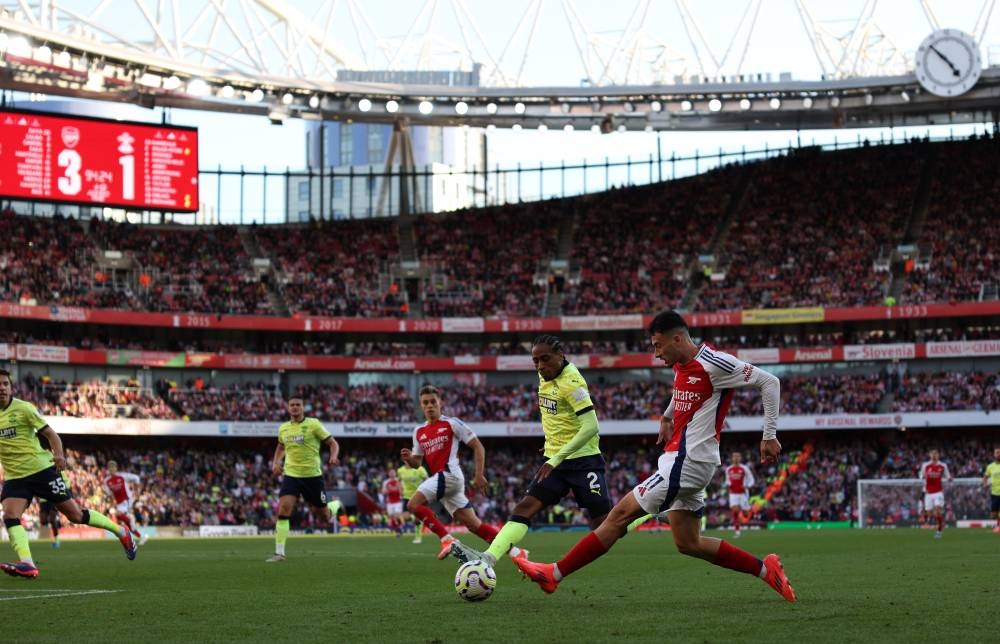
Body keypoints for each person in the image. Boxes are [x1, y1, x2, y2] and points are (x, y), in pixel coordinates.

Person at [514, 311, 796, 602]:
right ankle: (767, 570)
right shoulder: (681, 363)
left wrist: (769, 434)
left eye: (658, 345)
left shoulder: (715, 362)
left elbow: (770, 382)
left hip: (688, 462)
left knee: (618, 516)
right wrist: (667, 415)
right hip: (685, 461)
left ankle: (553, 574)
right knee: (689, 542)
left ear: (677, 338)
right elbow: (683, 389)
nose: (655, 352)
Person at [454, 335, 613, 567]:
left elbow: (591, 426)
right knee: (525, 507)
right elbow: (555, 416)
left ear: (561, 355)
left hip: (583, 460)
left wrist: (556, 456)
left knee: (605, 525)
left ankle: (645, 514)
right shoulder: (544, 375)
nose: (540, 366)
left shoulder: (573, 383)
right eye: (535, 361)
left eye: (545, 359)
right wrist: (552, 444)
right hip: (555, 460)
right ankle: (487, 559)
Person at [0, 368, 136, 578]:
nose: (2, 388)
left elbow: (51, 435)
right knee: (10, 514)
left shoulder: (24, 409)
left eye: (5, 384)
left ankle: (121, 531)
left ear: (10, 387)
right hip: (15, 476)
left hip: (41, 470)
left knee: (76, 515)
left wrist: (60, 455)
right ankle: (27, 562)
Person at [401, 385, 505, 560]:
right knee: (474, 526)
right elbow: (417, 463)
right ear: (421, 406)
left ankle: (446, 539)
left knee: (413, 505)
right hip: (444, 482)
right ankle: (518, 553)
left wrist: (479, 474)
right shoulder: (418, 431)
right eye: (425, 403)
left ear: (440, 403)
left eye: (433, 402)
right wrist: (409, 458)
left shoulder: (451, 423)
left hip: (449, 474)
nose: (429, 406)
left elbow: (477, 445)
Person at [267, 396, 340, 562]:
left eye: (297, 405)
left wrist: (334, 456)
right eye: (291, 405)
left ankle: (334, 506)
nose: (294, 407)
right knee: (284, 510)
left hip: (312, 477)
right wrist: (276, 462)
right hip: (291, 475)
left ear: (303, 407)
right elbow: (280, 446)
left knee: (323, 515)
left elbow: (333, 443)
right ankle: (279, 553)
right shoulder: (283, 428)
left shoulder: (313, 424)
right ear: (287, 408)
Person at [104, 459, 149, 546]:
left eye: (113, 467)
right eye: (110, 467)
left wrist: (137, 491)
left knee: (118, 514)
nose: (111, 469)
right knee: (129, 526)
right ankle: (142, 536)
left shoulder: (123, 476)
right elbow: (110, 495)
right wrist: (113, 504)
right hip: (119, 504)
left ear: (116, 468)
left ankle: (130, 518)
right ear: (108, 469)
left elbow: (136, 478)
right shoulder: (106, 481)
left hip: (127, 500)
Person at [919, 449, 952, 538]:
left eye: (936, 454)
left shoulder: (943, 465)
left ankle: (939, 530)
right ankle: (939, 521)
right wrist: (922, 478)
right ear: (930, 455)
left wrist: (949, 479)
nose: (934, 455)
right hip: (928, 493)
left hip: (938, 492)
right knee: (929, 513)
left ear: (938, 455)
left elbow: (948, 476)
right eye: (932, 454)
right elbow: (921, 476)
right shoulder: (925, 465)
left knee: (937, 511)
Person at [725, 451, 755, 537]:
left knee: (746, 514)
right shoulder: (728, 469)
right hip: (733, 494)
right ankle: (737, 531)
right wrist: (728, 485)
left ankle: (748, 510)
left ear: (740, 458)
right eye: (734, 456)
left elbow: (751, 479)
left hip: (743, 494)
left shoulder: (744, 468)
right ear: (732, 458)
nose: (736, 458)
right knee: (735, 511)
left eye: (738, 456)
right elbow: (727, 480)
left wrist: (748, 486)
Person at [398, 460, 428, 543]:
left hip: (418, 496)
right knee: (405, 516)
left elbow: (427, 479)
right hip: (406, 496)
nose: (407, 461)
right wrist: (400, 489)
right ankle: (415, 517)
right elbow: (399, 481)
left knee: (417, 520)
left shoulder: (420, 469)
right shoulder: (400, 470)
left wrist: (423, 490)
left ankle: (418, 537)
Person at [381, 469, 405, 536]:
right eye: (390, 473)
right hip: (389, 502)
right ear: (388, 474)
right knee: (391, 517)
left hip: (398, 501)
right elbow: (383, 492)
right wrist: (387, 491)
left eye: (393, 472)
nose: (392, 474)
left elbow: (402, 491)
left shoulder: (399, 481)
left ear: (395, 473)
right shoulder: (386, 482)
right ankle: (398, 530)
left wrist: (399, 490)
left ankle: (400, 527)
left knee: (397, 515)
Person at [984, 447, 1000, 533]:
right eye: (997, 453)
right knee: (993, 515)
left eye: (999, 452)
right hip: (994, 493)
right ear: (994, 455)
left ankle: (998, 526)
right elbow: (985, 477)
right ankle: (997, 524)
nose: (999, 454)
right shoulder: (990, 466)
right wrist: (985, 484)